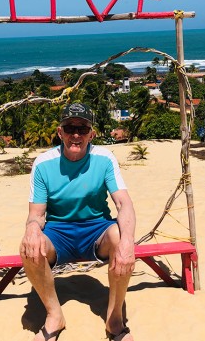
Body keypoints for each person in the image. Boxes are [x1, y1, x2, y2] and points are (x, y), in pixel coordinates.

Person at [20, 103, 136, 341]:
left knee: (119, 238)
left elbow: (124, 204)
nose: (75, 134)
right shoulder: (43, 164)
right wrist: (31, 229)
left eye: (82, 129)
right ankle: (54, 316)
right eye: (69, 127)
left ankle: (114, 319)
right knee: (28, 247)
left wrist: (128, 242)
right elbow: (37, 214)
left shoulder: (104, 158)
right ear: (60, 132)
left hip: (96, 230)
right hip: (58, 232)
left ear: (91, 134)